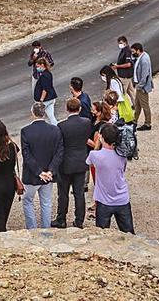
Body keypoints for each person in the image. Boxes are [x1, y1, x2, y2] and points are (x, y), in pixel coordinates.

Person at [20, 102, 63, 229]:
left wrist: (39, 172)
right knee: (46, 203)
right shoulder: (55, 130)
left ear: (33, 113)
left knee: (28, 201)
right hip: (48, 175)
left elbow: (26, 155)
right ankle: (46, 230)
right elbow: (59, 152)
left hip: (32, 175)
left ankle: (32, 229)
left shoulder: (26, 131)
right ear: (44, 113)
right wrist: (50, 171)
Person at [86, 124, 135, 233]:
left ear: (102, 137)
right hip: (122, 199)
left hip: (104, 201)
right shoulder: (122, 155)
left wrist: (98, 143)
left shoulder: (95, 155)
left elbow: (89, 163)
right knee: (129, 233)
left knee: (101, 233)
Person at [52, 98, 92, 229]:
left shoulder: (61, 126)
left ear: (67, 109)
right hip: (81, 161)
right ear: (79, 109)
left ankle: (61, 219)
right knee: (79, 193)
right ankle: (79, 220)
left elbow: (59, 145)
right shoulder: (86, 123)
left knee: (63, 193)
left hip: (66, 163)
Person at [131, 43, 153, 131]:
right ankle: (134, 120)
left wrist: (139, 86)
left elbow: (145, 76)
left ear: (138, 50)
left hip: (142, 87)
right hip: (139, 86)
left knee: (144, 105)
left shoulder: (144, 60)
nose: (132, 53)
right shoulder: (142, 57)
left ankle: (148, 123)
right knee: (137, 104)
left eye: (133, 51)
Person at [33, 58, 58, 126]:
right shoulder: (48, 73)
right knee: (51, 116)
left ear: (42, 65)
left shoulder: (44, 76)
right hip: (50, 98)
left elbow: (45, 89)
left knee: (35, 112)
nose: (37, 68)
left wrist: (41, 100)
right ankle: (56, 128)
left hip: (45, 100)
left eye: (38, 66)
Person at [111, 36, 135, 102]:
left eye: (121, 43)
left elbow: (128, 64)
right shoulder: (123, 50)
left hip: (125, 76)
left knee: (122, 93)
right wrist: (117, 64)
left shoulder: (127, 51)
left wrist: (117, 66)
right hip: (126, 75)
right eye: (119, 43)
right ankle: (136, 104)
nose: (120, 44)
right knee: (131, 91)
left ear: (125, 42)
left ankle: (125, 108)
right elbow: (123, 61)